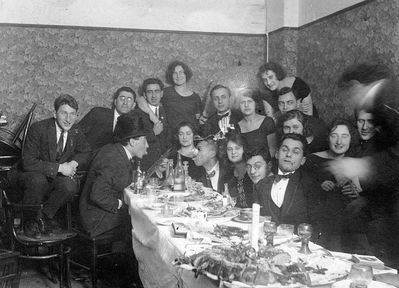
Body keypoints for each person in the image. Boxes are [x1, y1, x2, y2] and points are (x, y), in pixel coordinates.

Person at [22, 94, 91, 238]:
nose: (68, 119)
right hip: (31, 173)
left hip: (53, 175)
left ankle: (45, 216)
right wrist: (60, 168)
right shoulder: (38, 128)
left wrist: (73, 163)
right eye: (64, 113)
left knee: (69, 186)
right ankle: (30, 221)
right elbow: (28, 162)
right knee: (38, 181)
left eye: (73, 114)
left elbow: (86, 151)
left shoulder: (75, 131)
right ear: (54, 114)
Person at [79, 112, 150, 238]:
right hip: (97, 219)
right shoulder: (112, 159)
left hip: (99, 212)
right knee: (146, 222)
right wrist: (120, 204)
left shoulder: (117, 151)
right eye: (145, 141)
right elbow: (97, 195)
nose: (147, 146)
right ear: (133, 142)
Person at [303, 119, 360, 251]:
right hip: (319, 224)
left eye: (344, 136)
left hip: (347, 226)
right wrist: (318, 186)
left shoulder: (355, 162)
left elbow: (359, 193)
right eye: (334, 136)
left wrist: (355, 192)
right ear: (328, 137)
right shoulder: (312, 160)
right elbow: (302, 190)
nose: (339, 142)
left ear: (351, 138)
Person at [253, 133, 320, 229]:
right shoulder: (261, 185)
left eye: (295, 152)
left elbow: (316, 226)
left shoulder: (310, 186)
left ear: (303, 160)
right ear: (277, 154)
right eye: (284, 150)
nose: (288, 154)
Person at [78, 86, 136, 151]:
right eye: (122, 98)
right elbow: (77, 134)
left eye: (129, 99)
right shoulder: (98, 114)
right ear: (115, 101)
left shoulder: (134, 125)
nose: (125, 102)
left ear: (133, 105)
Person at [133, 78, 169, 170]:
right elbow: (133, 141)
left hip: (163, 166)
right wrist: (153, 133)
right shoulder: (137, 114)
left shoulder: (166, 111)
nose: (153, 96)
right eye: (150, 92)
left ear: (162, 93)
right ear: (145, 95)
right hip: (144, 166)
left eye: (157, 91)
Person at [161, 60, 202, 133]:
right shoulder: (165, 93)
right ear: (171, 75)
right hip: (170, 137)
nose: (178, 76)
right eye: (175, 73)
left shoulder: (195, 98)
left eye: (181, 72)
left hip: (189, 137)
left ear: (186, 74)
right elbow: (142, 100)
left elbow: (198, 120)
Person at [236, 90, 276, 162]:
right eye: (242, 102)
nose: (246, 105)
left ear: (256, 104)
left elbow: (272, 150)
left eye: (249, 101)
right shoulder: (237, 127)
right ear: (239, 106)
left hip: (266, 166)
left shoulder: (267, 122)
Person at [223, 132, 253, 208]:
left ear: (244, 149)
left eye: (237, 148)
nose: (233, 152)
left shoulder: (252, 171)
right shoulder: (228, 174)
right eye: (230, 149)